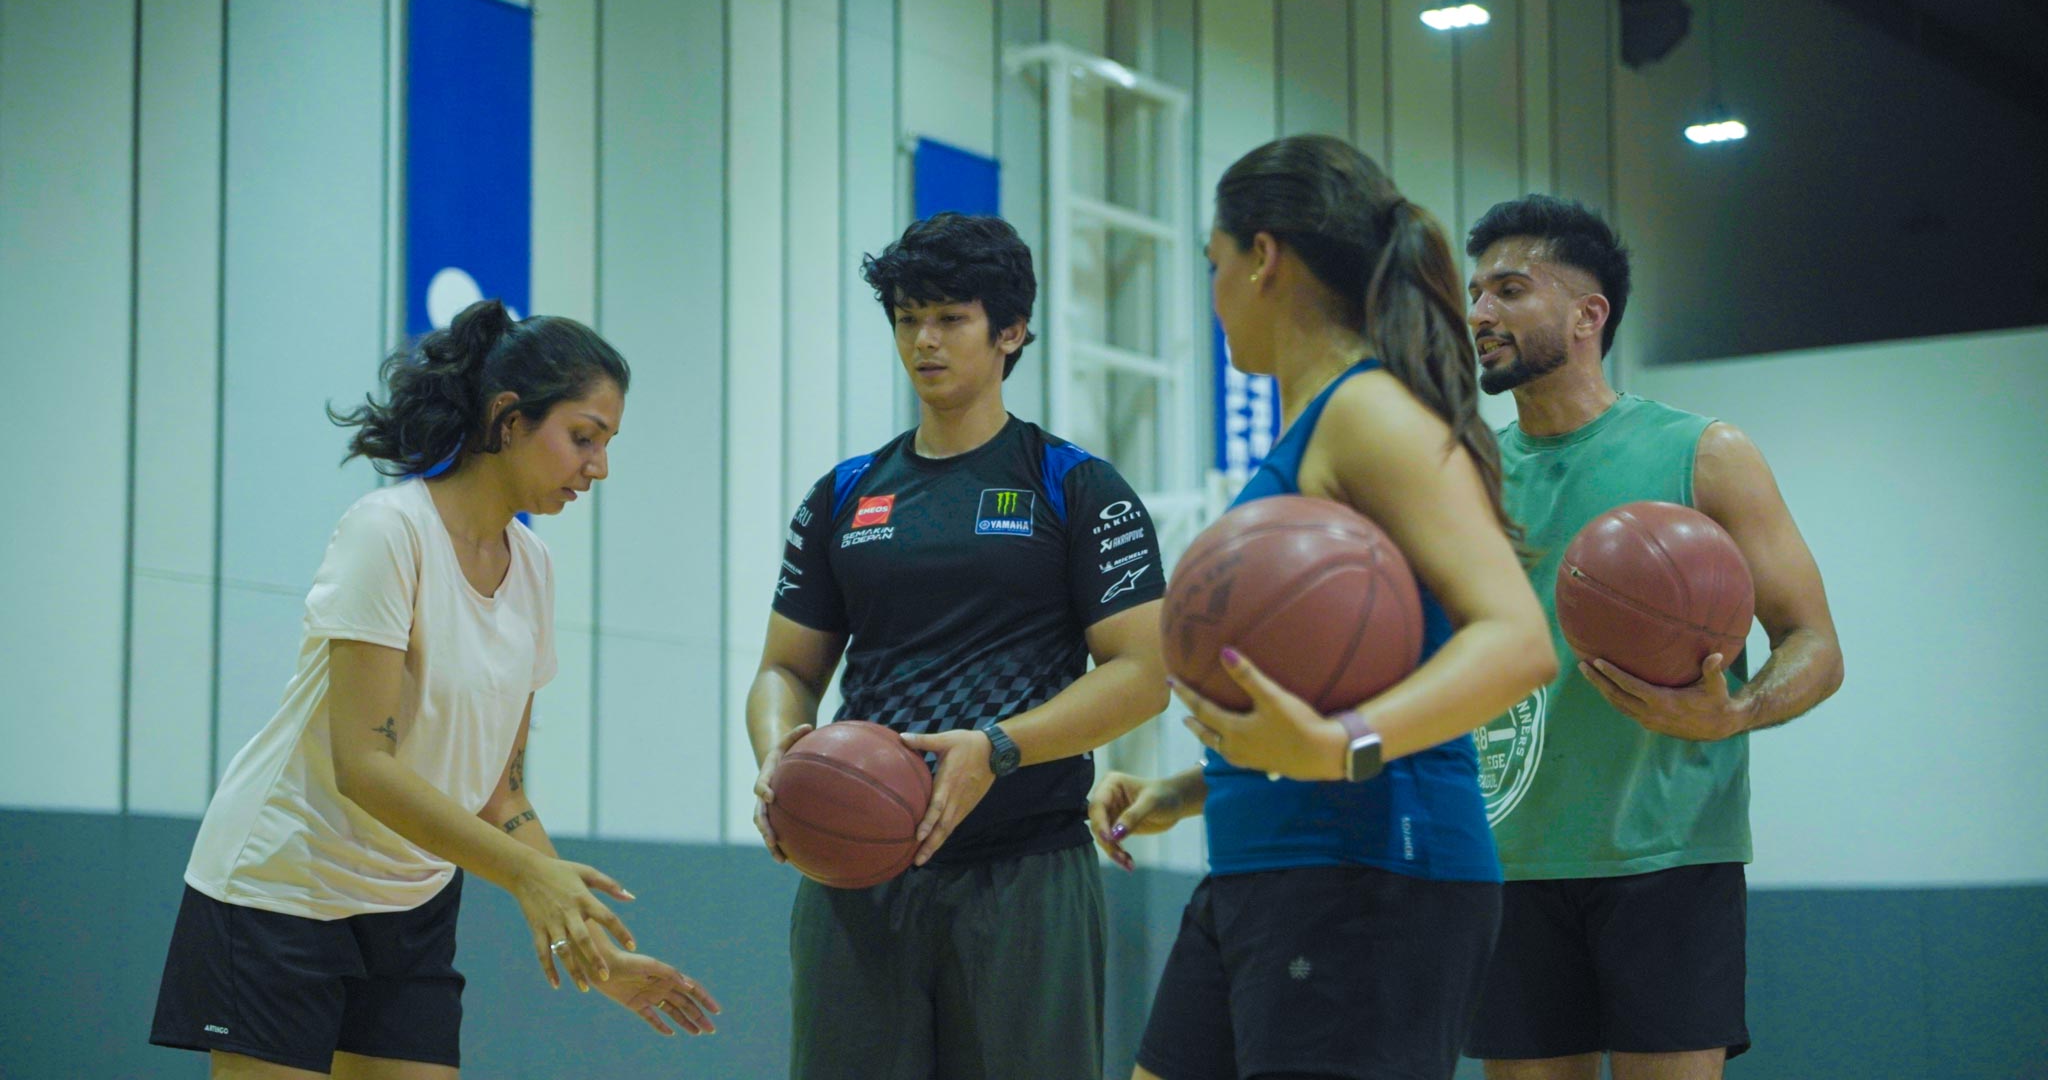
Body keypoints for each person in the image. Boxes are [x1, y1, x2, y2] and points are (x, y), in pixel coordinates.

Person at [149, 301, 719, 1079]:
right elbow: (364, 765)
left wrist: (588, 942)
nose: (600, 466)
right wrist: (527, 877)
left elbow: (501, 789)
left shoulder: (535, 567)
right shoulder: (389, 531)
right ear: (509, 420)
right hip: (283, 887)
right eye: (583, 437)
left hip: (408, 901)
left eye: (608, 443)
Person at [1089, 135, 1558, 1080]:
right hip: (1267, 866)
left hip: (1375, 874)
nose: (1211, 292)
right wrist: (1196, 787)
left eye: (1212, 264)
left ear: (1262, 259)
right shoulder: (1316, 429)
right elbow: (1328, 671)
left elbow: (1517, 641)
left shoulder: (1369, 413)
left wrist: (1344, 744)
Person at [746, 212, 1170, 1080]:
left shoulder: (1077, 485)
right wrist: (775, 753)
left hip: (1026, 873)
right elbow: (785, 670)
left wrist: (1000, 748)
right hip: (856, 874)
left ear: (1010, 331)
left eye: (950, 318)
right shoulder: (843, 494)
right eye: (907, 318)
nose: (923, 341)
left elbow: (1145, 675)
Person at [1460, 196, 1845, 1080]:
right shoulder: (1465, 475)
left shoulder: (1705, 453)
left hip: (1668, 856)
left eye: (1509, 290)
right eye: (1476, 293)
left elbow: (1815, 643)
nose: (1480, 314)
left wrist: (1735, 712)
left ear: (1588, 315)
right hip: (1508, 859)